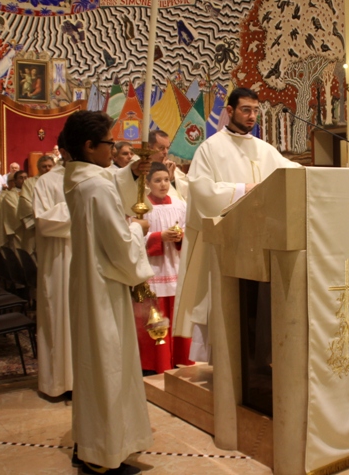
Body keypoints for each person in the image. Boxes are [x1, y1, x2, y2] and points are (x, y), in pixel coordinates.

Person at [174, 88, 300, 363]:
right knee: (229, 309)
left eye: (255, 110)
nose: (252, 116)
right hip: (227, 242)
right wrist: (244, 189)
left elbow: (291, 173)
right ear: (229, 111)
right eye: (245, 110)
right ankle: (228, 365)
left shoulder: (264, 149)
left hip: (262, 243)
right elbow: (202, 192)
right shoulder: (210, 149)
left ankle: (259, 362)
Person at [62, 110, 153, 474]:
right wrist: (138, 229)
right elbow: (119, 246)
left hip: (89, 283)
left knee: (93, 369)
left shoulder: (79, 179)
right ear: (89, 146)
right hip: (103, 289)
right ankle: (102, 457)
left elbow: (111, 185)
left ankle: (89, 443)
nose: (114, 150)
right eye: (110, 144)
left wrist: (131, 174)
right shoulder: (96, 187)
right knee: (108, 369)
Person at [136, 162, 193, 374]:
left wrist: (180, 236)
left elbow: (189, 230)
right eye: (157, 180)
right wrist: (159, 236)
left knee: (178, 314)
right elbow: (134, 237)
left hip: (175, 266)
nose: (163, 184)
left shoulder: (180, 205)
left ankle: (181, 357)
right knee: (157, 316)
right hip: (155, 269)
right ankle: (158, 363)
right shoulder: (142, 208)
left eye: (166, 180)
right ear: (148, 183)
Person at [34, 136, 72, 399]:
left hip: (91, 260)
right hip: (60, 261)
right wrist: (80, 208)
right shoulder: (47, 181)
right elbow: (44, 221)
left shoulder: (97, 177)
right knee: (59, 316)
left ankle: (86, 381)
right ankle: (59, 382)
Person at [17, 155, 55, 255]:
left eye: (50, 166)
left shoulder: (59, 182)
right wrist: (41, 218)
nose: (47, 168)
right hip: (36, 226)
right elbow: (25, 202)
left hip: (55, 225)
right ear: (38, 168)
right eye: (44, 166)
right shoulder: (29, 183)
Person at [148, 129, 188, 201]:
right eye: (161, 148)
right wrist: (165, 178)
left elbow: (186, 193)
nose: (166, 152)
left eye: (167, 148)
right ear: (149, 148)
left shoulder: (171, 167)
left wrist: (172, 180)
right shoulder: (142, 168)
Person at [0, 171, 26, 249]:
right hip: (17, 230)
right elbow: (14, 213)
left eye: (25, 178)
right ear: (15, 181)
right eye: (21, 178)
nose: (24, 180)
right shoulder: (10, 195)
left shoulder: (31, 192)